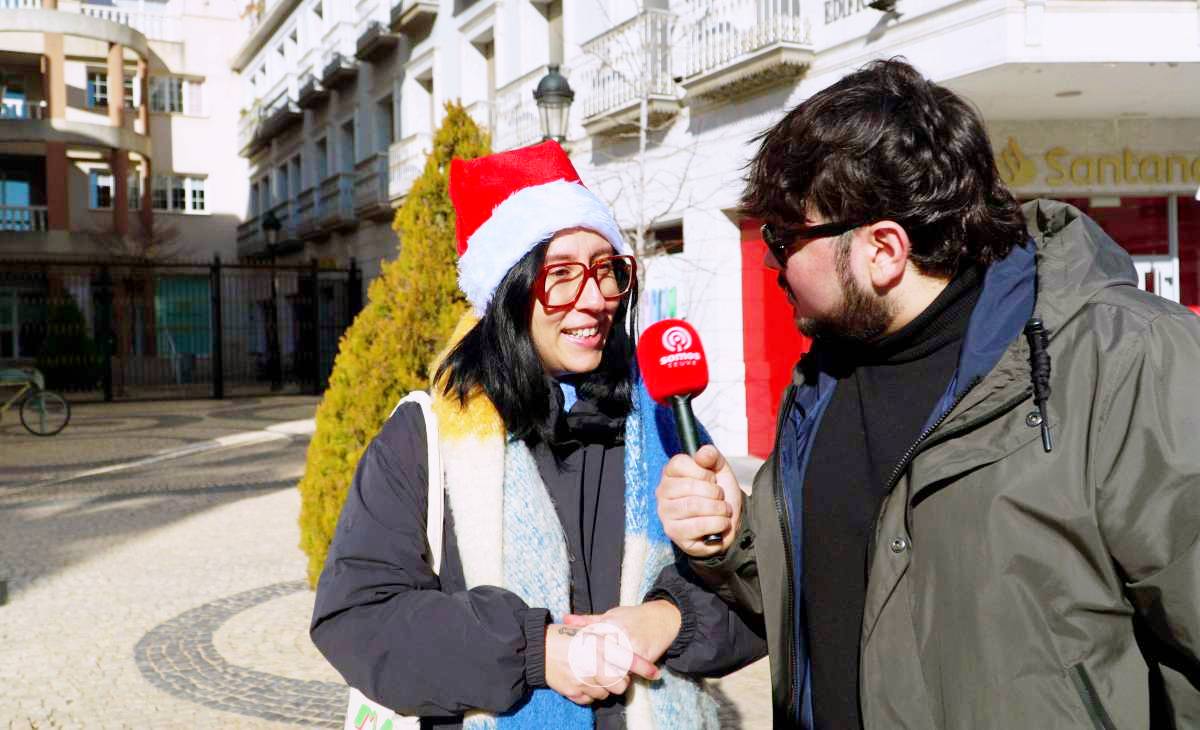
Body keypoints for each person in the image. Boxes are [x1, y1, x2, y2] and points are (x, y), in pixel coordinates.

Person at [656, 59, 1200, 729]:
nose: (771, 260)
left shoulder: (1128, 357)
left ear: (883, 249)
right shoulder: (825, 377)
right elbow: (831, 602)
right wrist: (734, 542)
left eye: (787, 236)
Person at [310, 141, 762, 730]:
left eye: (607, 271)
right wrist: (536, 653)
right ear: (508, 291)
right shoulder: (424, 438)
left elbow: (758, 602)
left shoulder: (662, 419)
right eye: (562, 274)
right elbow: (357, 619)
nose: (596, 299)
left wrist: (671, 619)